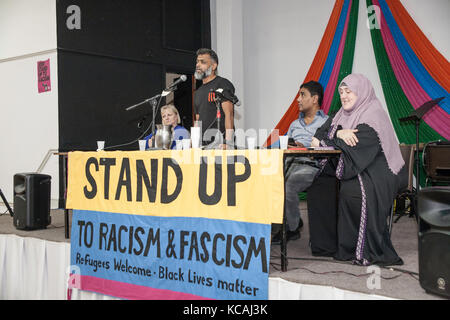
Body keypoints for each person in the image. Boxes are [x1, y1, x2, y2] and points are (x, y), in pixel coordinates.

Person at [309, 73, 407, 266]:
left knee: (352, 190)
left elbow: (354, 146)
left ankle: (359, 249)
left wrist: (332, 137)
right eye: (341, 92)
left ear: (361, 92)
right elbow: (318, 135)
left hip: (378, 172)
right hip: (356, 165)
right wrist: (339, 133)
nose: (344, 96)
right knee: (320, 184)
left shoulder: (373, 114)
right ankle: (327, 246)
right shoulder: (341, 114)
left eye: (349, 91)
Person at [271, 81, 328, 244]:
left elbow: (329, 146)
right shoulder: (294, 124)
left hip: (311, 164)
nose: (298, 99)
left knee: (288, 185)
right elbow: (280, 143)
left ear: (315, 99)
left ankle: (291, 228)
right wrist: (283, 144)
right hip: (288, 161)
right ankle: (283, 222)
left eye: (302, 95)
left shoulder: (327, 122)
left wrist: (305, 147)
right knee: (269, 181)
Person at [193, 48, 236, 148]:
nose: (197, 65)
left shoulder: (223, 84)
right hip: (202, 146)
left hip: (220, 145)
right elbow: (198, 121)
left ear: (213, 66)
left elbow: (229, 114)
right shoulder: (198, 92)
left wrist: (228, 142)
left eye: (202, 62)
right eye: (197, 61)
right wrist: (194, 143)